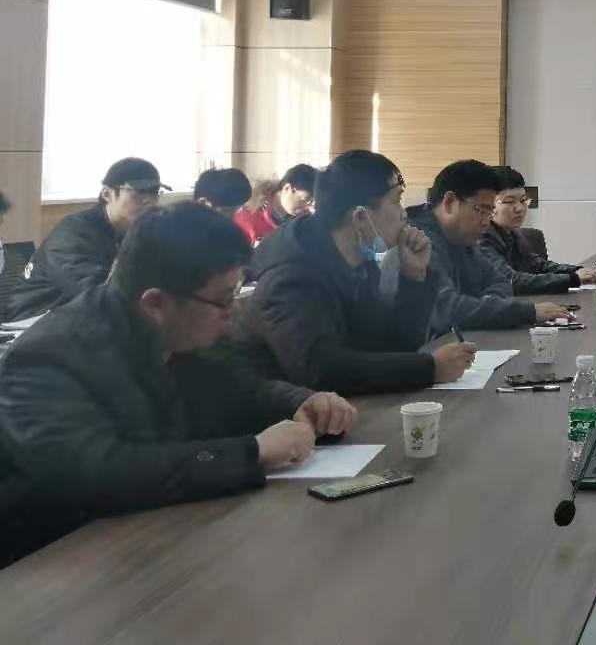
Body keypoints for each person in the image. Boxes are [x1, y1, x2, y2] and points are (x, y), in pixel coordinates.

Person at [0, 203, 356, 556]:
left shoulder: (187, 332)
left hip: (171, 530)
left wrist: (300, 402)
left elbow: (243, 391)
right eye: (224, 299)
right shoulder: (46, 358)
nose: (234, 311)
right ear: (155, 304)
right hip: (66, 558)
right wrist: (253, 453)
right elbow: (95, 474)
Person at [234, 150, 478, 395]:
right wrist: (429, 368)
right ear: (360, 217)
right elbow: (321, 370)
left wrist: (413, 276)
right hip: (281, 415)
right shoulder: (291, 276)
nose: (403, 213)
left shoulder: (358, 263)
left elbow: (391, 346)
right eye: (396, 200)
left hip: (343, 407)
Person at [408, 161, 573, 333]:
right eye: (481, 210)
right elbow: (447, 309)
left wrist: (486, 307)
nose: (487, 222)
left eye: (490, 212)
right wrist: (524, 312)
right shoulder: (417, 240)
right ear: (450, 202)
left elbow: (500, 282)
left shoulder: (462, 238)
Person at [11, 157, 169, 321]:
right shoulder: (73, 232)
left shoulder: (136, 231)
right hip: (33, 320)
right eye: (139, 192)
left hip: (83, 318)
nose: (149, 200)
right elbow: (95, 294)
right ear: (107, 194)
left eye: (154, 192)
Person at [479, 166, 596, 293]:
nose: (519, 208)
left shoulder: (512, 233)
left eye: (523, 200)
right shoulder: (480, 237)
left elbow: (538, 266)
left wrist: (576, 271)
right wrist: (572, 279)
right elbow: (510, 281)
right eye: (510, 201)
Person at [234, 164, 317, 246]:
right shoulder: (248, 217)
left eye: (311, 203)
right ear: (287, 188)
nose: (309, 208)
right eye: (305, 200)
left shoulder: (306, 223)